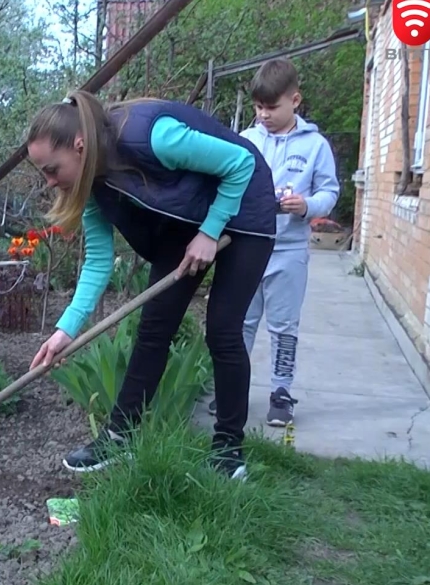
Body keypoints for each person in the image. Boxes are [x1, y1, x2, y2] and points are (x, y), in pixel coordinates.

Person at [26, 90, 277, 480]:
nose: (50, 182)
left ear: (79, 146)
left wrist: (211, 232)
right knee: (154, 327)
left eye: (51, 169)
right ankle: (119, 438)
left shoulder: (151, 136)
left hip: (245, 206)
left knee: (224, 329)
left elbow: (240, 162)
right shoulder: (92, 185)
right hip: (190, 221)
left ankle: (229, 452)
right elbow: (97, 263)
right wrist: (65, 331)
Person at [210, 58, 339, 427]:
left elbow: (329, 191)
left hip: (288, 251)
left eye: (272, 107)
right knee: (241, 323)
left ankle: (281, 393)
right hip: (246, 249)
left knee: (284, 326)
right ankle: (232, 391)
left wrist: (307, 206)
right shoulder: (247, 141)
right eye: (258, 107)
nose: (263, 114)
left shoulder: (316, 146)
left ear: (295, 100)